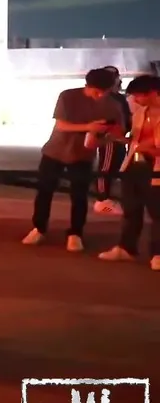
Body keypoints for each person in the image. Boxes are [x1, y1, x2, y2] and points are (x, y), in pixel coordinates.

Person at [22, 67, 124, 252]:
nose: (100, 96)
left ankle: (75, 233)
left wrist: (102, 138)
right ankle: (39, 228)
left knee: (79, 195)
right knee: (45, 191)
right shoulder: (68, 96)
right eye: (96, 91)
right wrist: (88, 127)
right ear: (87, 85)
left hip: (83, 154)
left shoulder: (113, 105)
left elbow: (116, 133)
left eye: (105, 92)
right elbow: (61, 125)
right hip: (55, 151)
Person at [97, 74, 160, 269]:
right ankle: (126, 248)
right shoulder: (140, 113)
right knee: (131, 209)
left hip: (156, 168)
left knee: (157, 212)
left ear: (153, 93)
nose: (135, 100)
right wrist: (118, 137)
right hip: (134, 165)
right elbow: (135, 141)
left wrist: (146, 147)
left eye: (139, 95)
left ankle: (157, 253)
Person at [93, 65, 131, 215]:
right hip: (110, 137)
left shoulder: (119, 97)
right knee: (106, 167)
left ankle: (106, 197)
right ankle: (102, 199)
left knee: (115, 165)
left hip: (121, 136)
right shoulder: (105, 98)